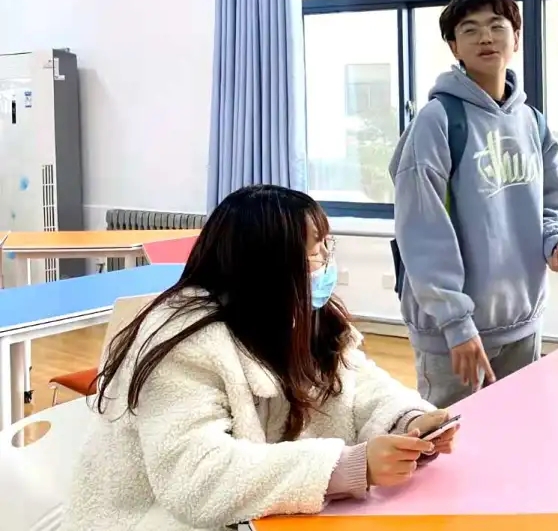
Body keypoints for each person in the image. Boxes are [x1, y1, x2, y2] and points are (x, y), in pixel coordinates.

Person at [61, 185, 457, 531]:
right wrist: (347, 466)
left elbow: (356, 382)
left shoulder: (297, 315)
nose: (327, 261)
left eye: (327, 246)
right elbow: (197, 477)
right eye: (315, 251)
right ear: (269, 266)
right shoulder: (185, 343)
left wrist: (407, 420)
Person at [390, 0, 558, 409]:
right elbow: (421, 229)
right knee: (454, 438)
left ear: (516, 38)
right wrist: (456, 322)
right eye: (470, 30)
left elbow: (551, 200)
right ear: (454, 46)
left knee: (519, 428)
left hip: (523, 320)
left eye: (497, 26)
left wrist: (554, 239)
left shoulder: (531, 121)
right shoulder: (437, 121)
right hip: (456, 330)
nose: (486, 38)